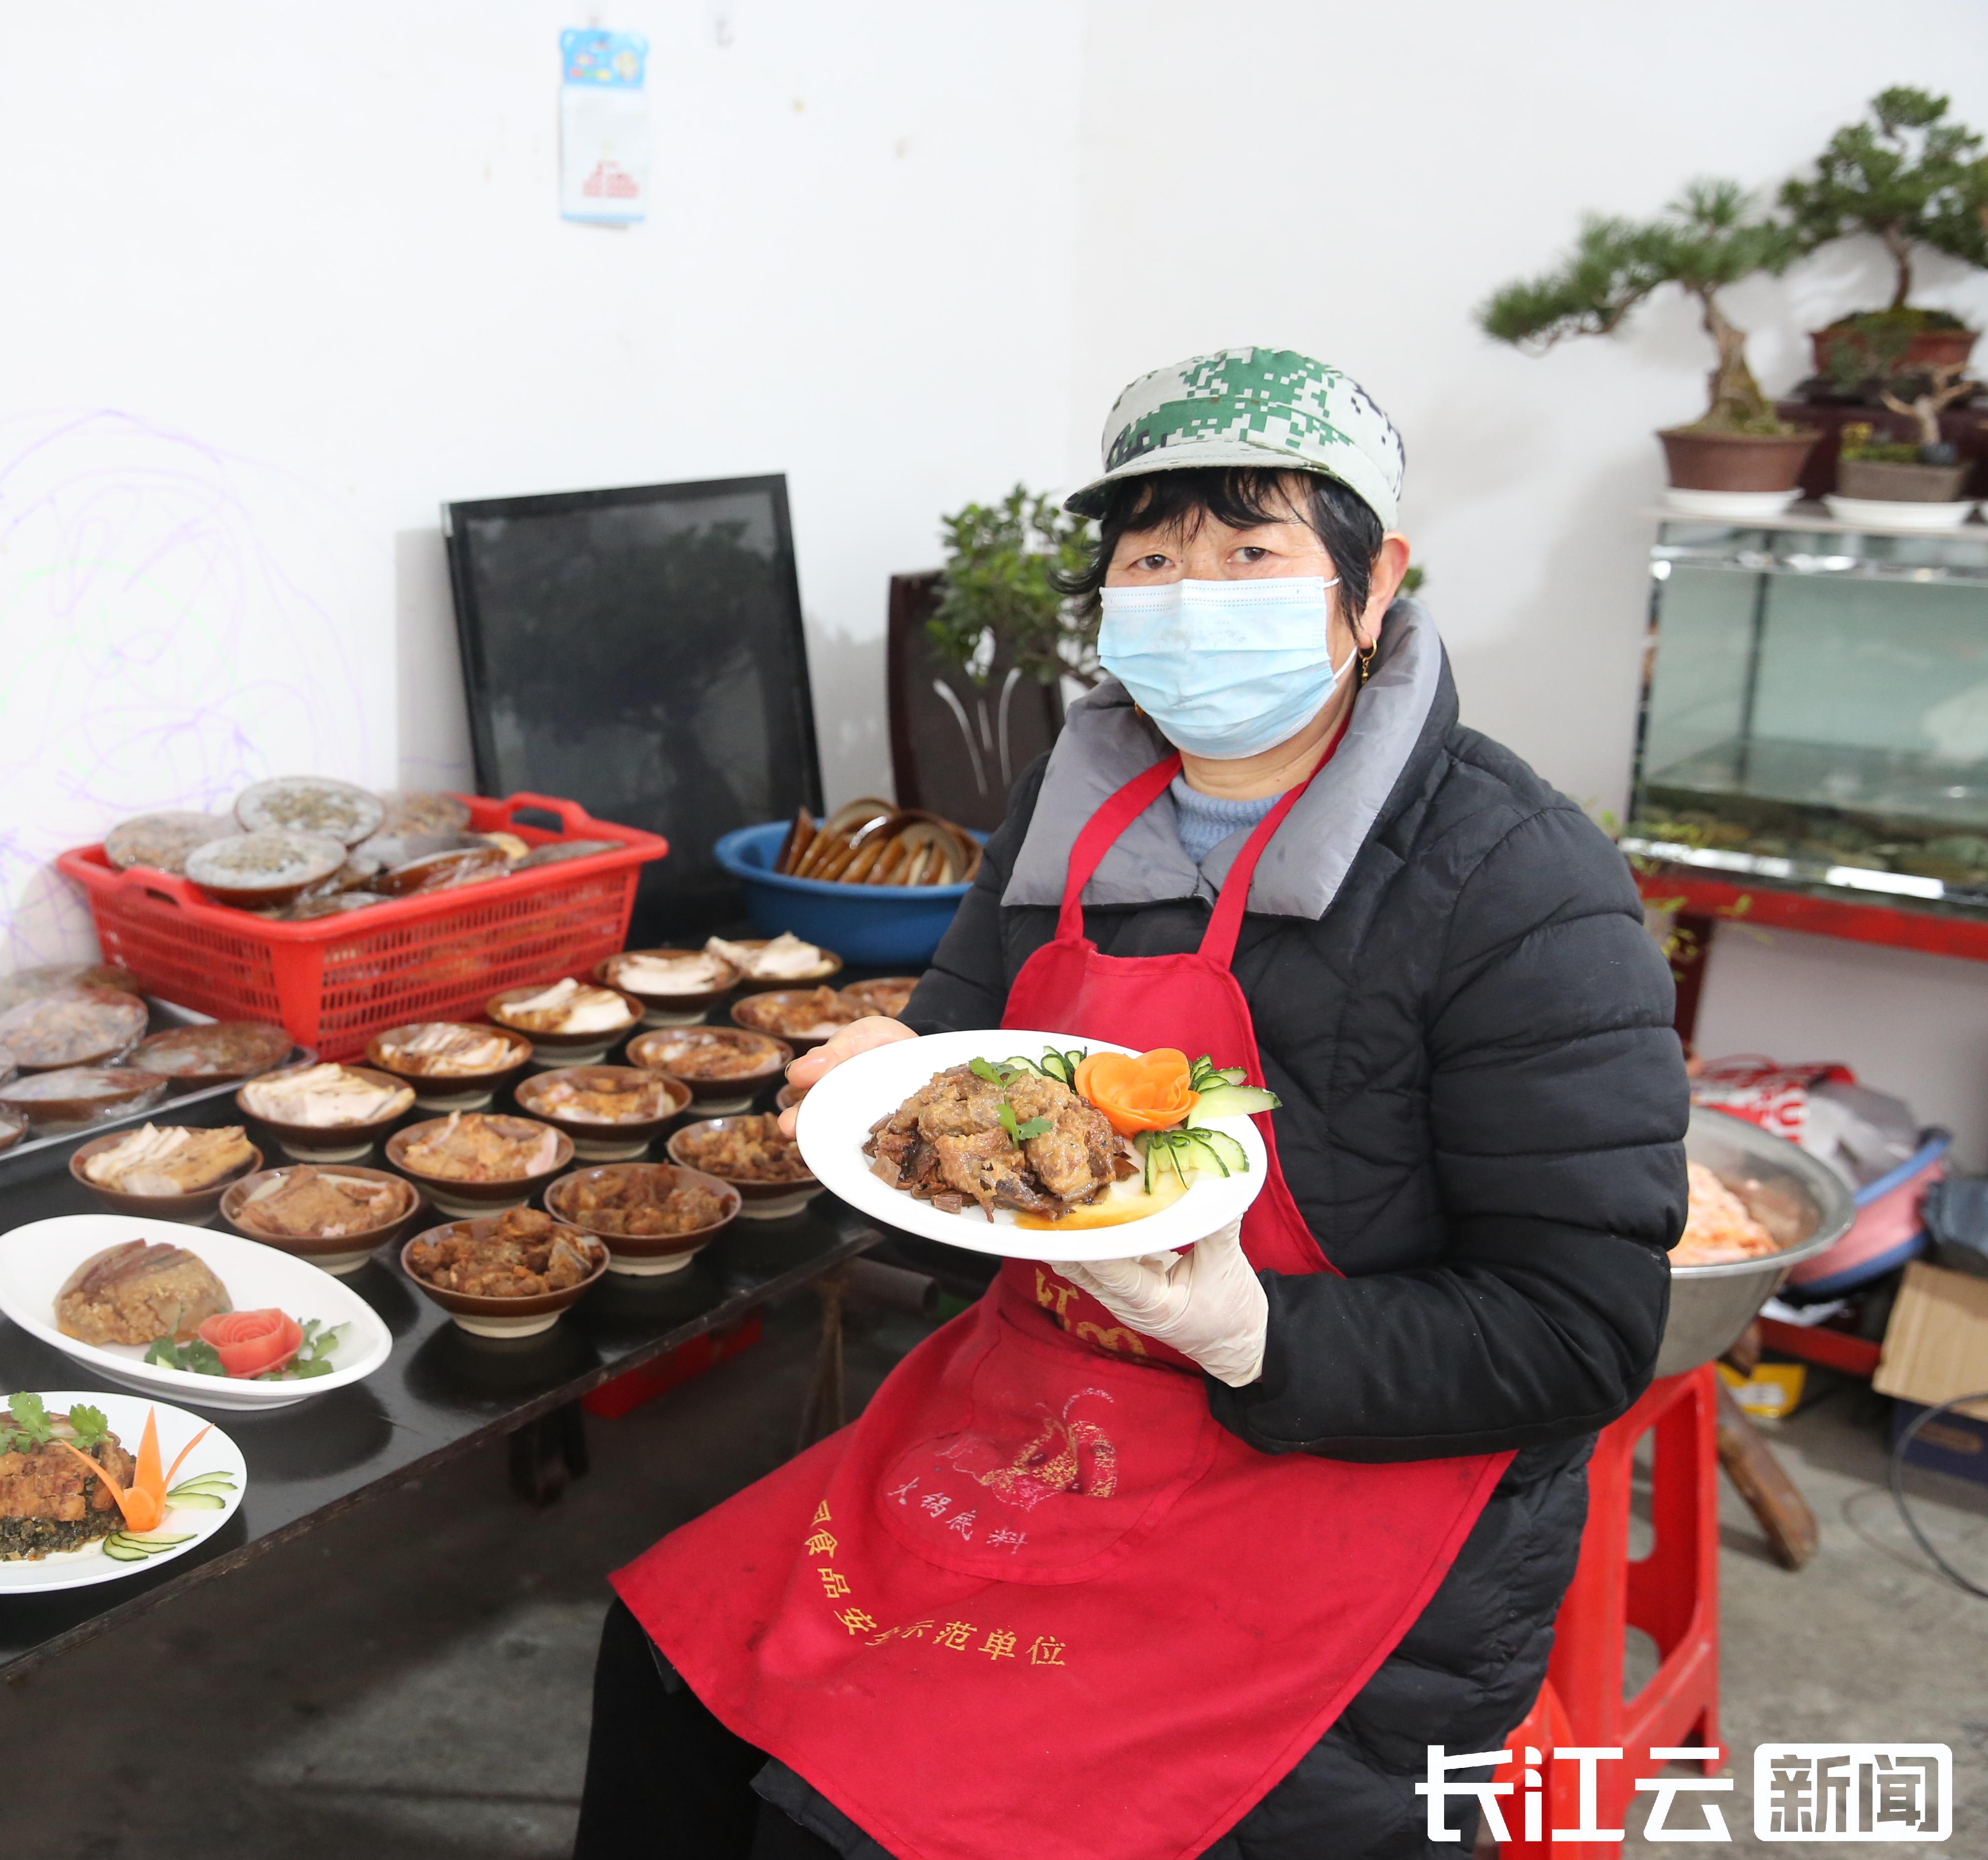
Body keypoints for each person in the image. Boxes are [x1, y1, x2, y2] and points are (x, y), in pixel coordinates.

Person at [575, 348, 1689, 1860]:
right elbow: (964, 1073)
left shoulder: (1517, 879)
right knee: (667, 1671)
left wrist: (1251, 1334)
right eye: (1152, 560)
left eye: (1251, 553)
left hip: (1346, 1481)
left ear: (1374, 587)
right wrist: (888, 1105)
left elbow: (1582, 1330)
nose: (1192, 597)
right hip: (1044, 1406)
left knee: (854, 1822)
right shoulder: (1075, 799)